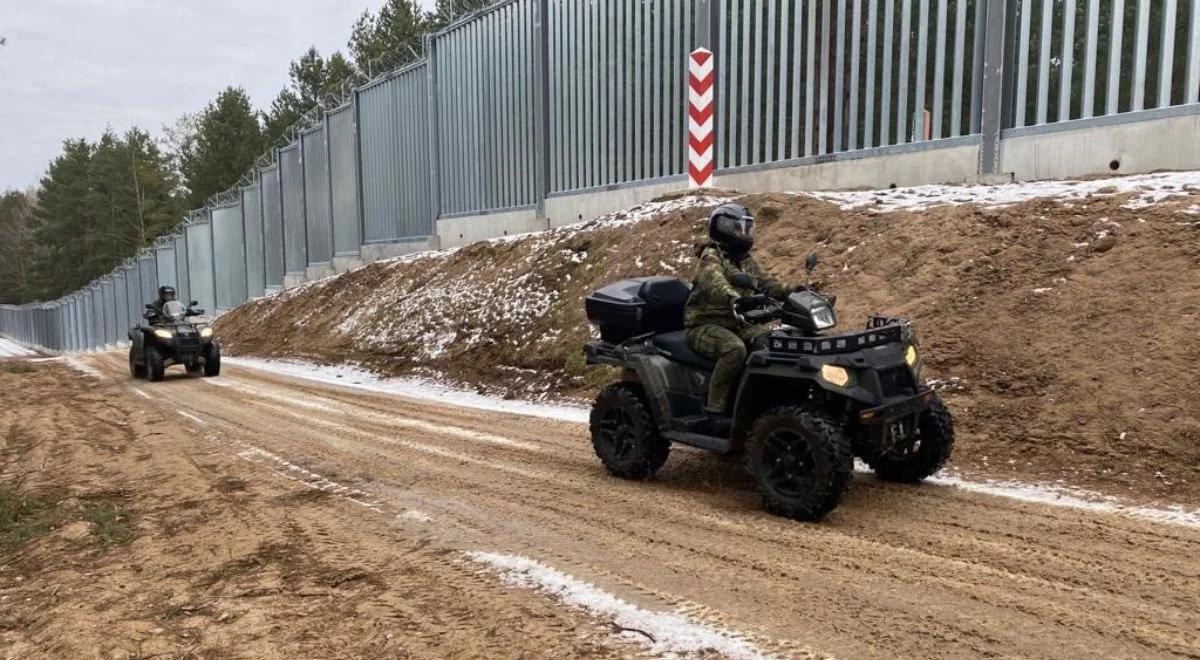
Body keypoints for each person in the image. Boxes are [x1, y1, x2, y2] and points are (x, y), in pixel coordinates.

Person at [685, 203, 800, 417]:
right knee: (734, 350)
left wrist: (794, 291)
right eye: (739, 228)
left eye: (747, 228)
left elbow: (766, 283)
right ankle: (715, 408)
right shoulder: (711, 257)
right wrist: (734, 299)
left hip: (737, 323)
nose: (744, 233)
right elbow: (714, 282)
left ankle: (751, 396)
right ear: (723, 229)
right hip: (704, 325)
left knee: (768, 340)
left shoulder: (744, 260)